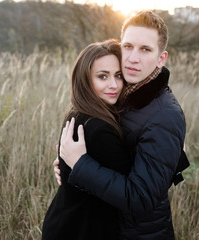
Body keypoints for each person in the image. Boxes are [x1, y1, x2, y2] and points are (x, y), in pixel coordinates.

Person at [57, 10, 190, 239]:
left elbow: (141, 198)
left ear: (161, 58)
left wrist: (81, 165)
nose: (133, 58)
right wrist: (67, 165)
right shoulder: (124, 93)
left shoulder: (164, 115)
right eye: (128, 47)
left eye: (145, 49)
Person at [42, 39, 134, 240]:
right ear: (85, 80)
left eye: (118, 76)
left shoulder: (78, 113)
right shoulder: (97, 128)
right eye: (102, 76)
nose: (113, 85)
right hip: (79, 230)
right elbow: (137, 189)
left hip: (65, 223)